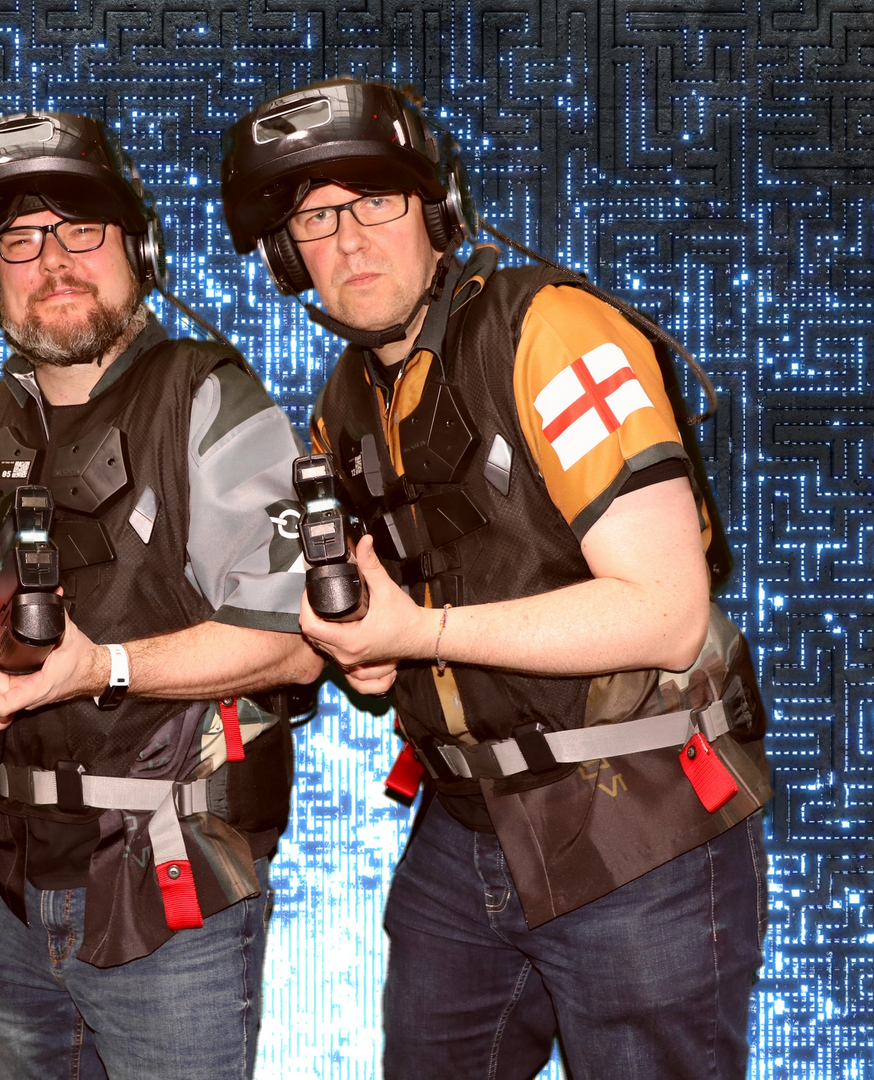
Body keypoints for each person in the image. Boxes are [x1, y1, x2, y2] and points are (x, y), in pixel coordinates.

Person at [221, 79, 772, 1078]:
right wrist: (368, 654)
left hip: (637, 819)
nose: (350, 242)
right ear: (286, 256)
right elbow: (399, 611)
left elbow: (666, 613)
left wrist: (418, 635)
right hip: (465, 821)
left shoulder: (552, 331)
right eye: (314, 219)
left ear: (437, 209)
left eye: (374, 202)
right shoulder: (346, 401)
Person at [0, 111, 324, 1080]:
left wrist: (101, 667)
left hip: (172, 896)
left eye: (80, 230)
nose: (53, 261)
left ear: (139, 251)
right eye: (19, 242)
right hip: (10, 897)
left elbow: (295, 640)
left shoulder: (207, 398)